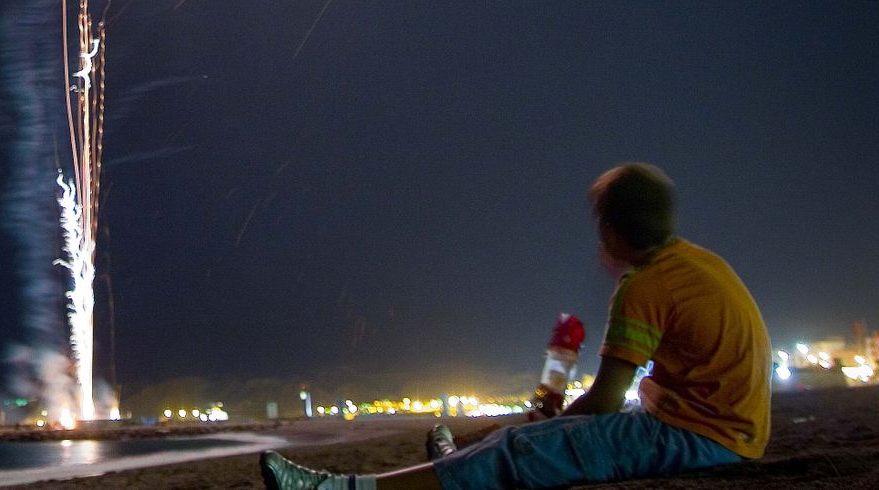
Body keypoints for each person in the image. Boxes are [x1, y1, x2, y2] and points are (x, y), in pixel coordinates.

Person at [260, 163, 771, 490]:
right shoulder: (695, 263)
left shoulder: (645, 287)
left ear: (610, 233)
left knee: (524, 448)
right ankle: (461, 456)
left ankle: (346, 489)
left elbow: (605, 405)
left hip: (702, 438)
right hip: (730, 429)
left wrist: (539, 422)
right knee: (536, 432)